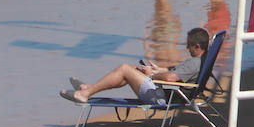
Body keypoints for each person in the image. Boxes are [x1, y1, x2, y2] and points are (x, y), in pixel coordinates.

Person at [64, 27, 209, 104]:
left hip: (162, 97)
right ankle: (90, 88)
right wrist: (159, 69)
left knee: (124, 69)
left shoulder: (194, 63)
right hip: (167, 91)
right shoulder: (202, 60)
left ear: (197, 46)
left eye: (188, 45)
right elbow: (176, 72)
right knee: (133, 69)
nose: (187, 48)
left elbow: (171, 78)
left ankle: (85, 94)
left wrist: (151, 74)